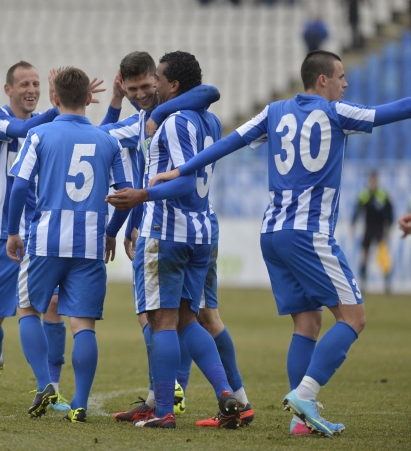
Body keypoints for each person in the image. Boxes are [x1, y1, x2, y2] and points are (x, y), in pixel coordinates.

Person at [111, 50, 411, 436]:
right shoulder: (337, 112)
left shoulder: (274, 111)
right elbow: (398, 108)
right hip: (306, 231)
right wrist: (181, 171)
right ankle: (302, 394)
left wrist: (181, 168)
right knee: (354, 318)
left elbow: (231, 143)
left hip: (271, 233)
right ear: (322, 80)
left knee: (307, 322)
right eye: (340, 76)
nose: (345, 83)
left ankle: (298, 420)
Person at [97, 52, 253, 428]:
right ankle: (229, 396)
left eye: (152, 85)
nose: (143, 94)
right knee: (191, 318)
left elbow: (178, 179)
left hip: (168, 229)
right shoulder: (208, 120)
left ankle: (164, 408)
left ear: (168, 83)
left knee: (162, 319)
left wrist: (141, 198)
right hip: (201, 229)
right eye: (133, 89)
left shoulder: (169, 123)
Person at [0, 61, 108, 408]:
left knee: (49, 305)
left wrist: (68, 108)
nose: (31, 89)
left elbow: (93, 143)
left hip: (37, 229)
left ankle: (49, 386)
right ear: (8, 90)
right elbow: (23, 130)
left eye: (36, 83)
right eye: (24, 84)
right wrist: (63, 107)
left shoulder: (49, 128)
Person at [6, 66, 132, 422]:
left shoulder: (40, 134)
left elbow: (18, 186)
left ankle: (46, 383)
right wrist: (112, 232)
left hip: (46, 239)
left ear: (55, 98)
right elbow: (124, 194)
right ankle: (79, 403)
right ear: (89, 100)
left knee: (28, 310)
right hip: (90, 244)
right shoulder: (109, 141)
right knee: (84, 325)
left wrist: (13, 232)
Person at [351, 171, 394, 293]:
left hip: (379, 228)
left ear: (377, 180)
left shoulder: (382, 194)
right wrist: (353, 225)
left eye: (374, 180)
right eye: (371, 180)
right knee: (364, 255)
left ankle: (387, 284)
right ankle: (363, 283)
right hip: (368, 228)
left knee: (383, 255)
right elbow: (357, 211)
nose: (373, 182)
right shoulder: (364, 194)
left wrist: (388, 227)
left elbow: (390, 212)